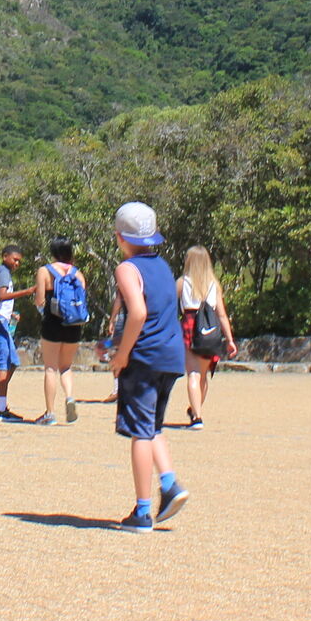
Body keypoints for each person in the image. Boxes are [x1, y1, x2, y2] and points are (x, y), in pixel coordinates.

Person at [108, 202, 192, 531]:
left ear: (120, 237)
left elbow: (139, 314)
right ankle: (169, 484)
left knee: (139, 433)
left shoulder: (127, 269)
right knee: (153, 426)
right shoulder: (163, 266)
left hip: (144, 355)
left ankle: (142, 511)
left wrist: (121, 355)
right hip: (171, 356)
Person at [176, 246, 238, 429]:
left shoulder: (182, 282)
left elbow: (168, 308)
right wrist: (230, 339)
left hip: (189, 325)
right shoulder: (214, 284)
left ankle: (197, 417)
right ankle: (196, 411)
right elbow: (222, 315)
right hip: (210, 328)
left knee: (193, 374)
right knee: (202, 375)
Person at [32, 238, 88, 426]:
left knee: (50, 367)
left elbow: (40, 300)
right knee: (66, 366)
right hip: (74, 324)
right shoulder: (78, 274)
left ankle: (50, 413)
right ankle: (70, 397)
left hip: (52, 323)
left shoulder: (45, 271)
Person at [0, 245, 40, 422]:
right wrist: (28, 291)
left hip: (1, 320)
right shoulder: (3, 272)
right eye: (15, 259)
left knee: (13, 361)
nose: (17, 263)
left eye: (19, 261)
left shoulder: (4, 273)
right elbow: (2, 296)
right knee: (3, 363)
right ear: (5, 256)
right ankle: (1, 410)